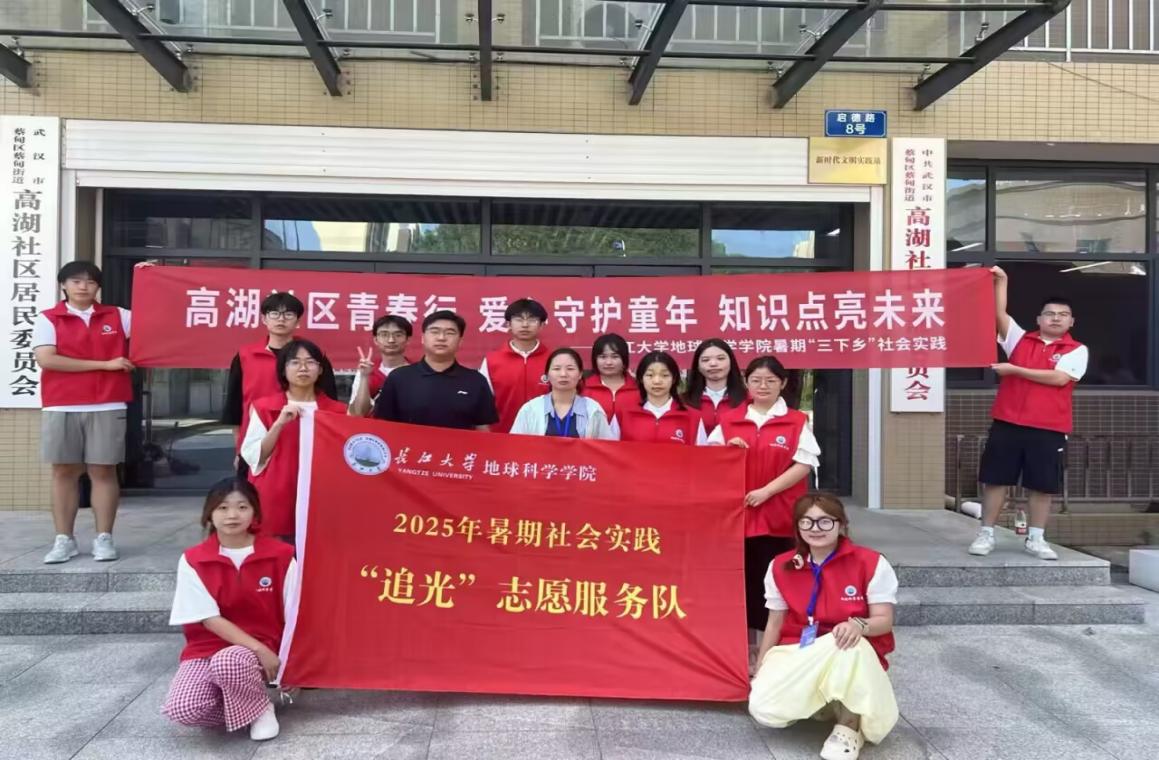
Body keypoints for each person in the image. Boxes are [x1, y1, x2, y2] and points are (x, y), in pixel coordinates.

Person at [749, 493, 899, 760]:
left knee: (848, 643)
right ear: (797, 527)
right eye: (806, 522)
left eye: (825, 521)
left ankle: (849, 726)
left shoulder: (871, 562)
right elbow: (774, 622)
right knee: (763, 709)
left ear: (841, 525)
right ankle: (827, 702)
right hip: (800, 648)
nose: (815, 529)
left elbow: (884, 619)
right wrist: (760, 668)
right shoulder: (780, 566)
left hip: (850, 648)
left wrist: (858, 625)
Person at [162, 477, 295, 742]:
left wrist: (293, 663)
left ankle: (259, 711)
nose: (232, 515)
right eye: (222, 508)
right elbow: (209, 619)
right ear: (209, 514)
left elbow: (295, 612)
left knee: (229, 661)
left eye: (242, 507)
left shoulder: (281, 555)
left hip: (265, 646)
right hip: (208, 648)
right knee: (183, 708)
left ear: (255, 512)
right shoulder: (194, 559)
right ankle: (250, 703)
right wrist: (259, 650)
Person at [968, 267, 1088, 561]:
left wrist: (1015, 370)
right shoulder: (1019, 340)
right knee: (996, 480)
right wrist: (1003, 281)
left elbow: (1059, 378)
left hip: (1048, 427)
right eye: (1050, 313)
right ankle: (986, 534)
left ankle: (1036, 538)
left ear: (1071, 321)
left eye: (1062, 314)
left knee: (1042, 485)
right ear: (1039, 319)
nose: (1056, 318)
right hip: (1007, 422)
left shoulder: (1077, 349)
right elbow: (999, 313)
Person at [708, 356, 821, 645]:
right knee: (742, 581)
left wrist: (767, 491)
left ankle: (771, 646)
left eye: (771, 380)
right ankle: (743, 647)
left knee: (777, 581)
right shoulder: (730, 420)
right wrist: (728, 451)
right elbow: (709, 460)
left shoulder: (796, 421)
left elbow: (804, 464)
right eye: (756, 380)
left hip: (779, 515)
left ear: (783, 383)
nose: (763, 386)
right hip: (739, 514)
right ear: (746, 383)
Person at [33, 262, 133, 564]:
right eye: (75, 281)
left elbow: (157, 321)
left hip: (108, 403)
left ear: (98, 287)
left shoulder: (119, 316)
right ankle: (64, 539)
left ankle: (104, 538)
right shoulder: (48, 318)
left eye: (90, 282)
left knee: (103, 471)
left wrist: (148, 276)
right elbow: (48, 359)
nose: (83, 287)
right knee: (64, 471)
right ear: (63, 285)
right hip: (61, 403)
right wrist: (105, 364)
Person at [222, 292, 337, 476]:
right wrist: (240, 449)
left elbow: (329, 402)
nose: (281, 319)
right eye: (274, 313)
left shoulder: (314, 357)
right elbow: (235, 407)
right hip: (257, 442)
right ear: (264, 319)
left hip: (304, 440)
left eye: (288, 314)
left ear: (298, 321)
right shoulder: (246, 356)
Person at [241, 340, 346, 540]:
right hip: (277, 494)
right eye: (295, 362)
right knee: (279, 553)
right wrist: (279, 424)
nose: (303, 368)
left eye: (310, 362)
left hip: (323, 495)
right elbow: (254, 455)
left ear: (320, 370)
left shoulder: (337, 412)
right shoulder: (265, 408)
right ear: (283, 370)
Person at [373, 310, 498, 431]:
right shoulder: (398, 378)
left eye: (449, 333)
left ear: (460, 341)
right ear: (423, 338)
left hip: (458, 446)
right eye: (434, 332)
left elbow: (482, 428)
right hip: (407, 446)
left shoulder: (475, 381)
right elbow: (385, 425)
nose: (441, 338)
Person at [510, 348, 618, 440]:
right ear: (547, 374)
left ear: (580, 374)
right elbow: (516, 447)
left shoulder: (593, 410)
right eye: (556, 369)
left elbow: (606, 449)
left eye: (570, 369)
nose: (563, 374)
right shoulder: (530, 409)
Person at [479, 298, 551, 433]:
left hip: (545, 436)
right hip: (502, 435)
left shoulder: (553, 359)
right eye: (519, 319)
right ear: (509, 324)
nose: (525, 325)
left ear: (542, 325)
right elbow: (482, 404)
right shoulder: (492, 360)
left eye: (532, 320)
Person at [615, 351, 706, 445]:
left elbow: (702, 452)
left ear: (674, 379)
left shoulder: (693, 417)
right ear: (641, 378)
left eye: (665, 375)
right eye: (650, 375)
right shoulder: (623, 414)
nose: (657, 381)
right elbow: (611, 449)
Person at [349, 314, 412, 417]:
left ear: (408, 339)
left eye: (398, 335)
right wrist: (364, 376)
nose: (391, 340)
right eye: (384, 334)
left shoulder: (418, 371)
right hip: (374, 427)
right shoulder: (366, 371)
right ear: (376, 340)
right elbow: (358, 413)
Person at [684, 338, 747, 436]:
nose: (713, 364)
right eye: (705, 360)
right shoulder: (683, 401)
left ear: (731, 362)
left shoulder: (748, 399)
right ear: (698, 366)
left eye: (720, 358)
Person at [583, 333, 640, 421]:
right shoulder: (583, 388)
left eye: (615, 357)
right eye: (603, 357)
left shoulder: (639, 388)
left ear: (624, 359)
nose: (608, 362)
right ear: (595, 359)